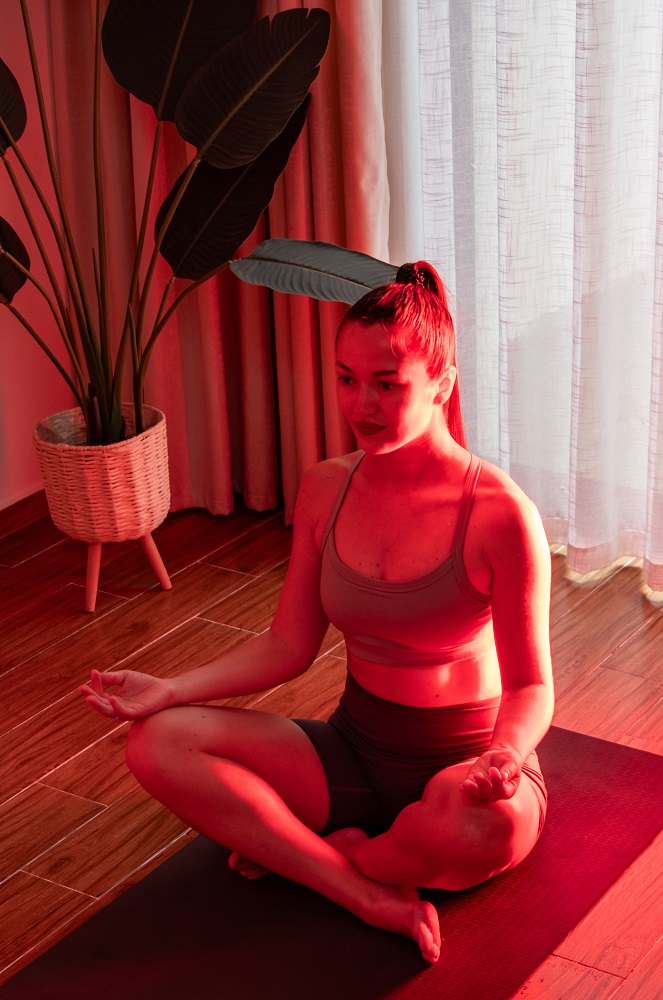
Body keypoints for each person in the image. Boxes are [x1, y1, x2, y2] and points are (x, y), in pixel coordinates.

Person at [79, 261, 553, 964]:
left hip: (469, 767)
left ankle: (320, 854)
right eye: (346, 379)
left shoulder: (500, 514)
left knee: (484, 830)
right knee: (156, 743)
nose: (362, 404)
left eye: (387, 384)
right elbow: (288, 645)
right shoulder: (326, 488)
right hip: (354, 754)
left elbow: (532, 685)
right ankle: (360, 887)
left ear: (442, 382)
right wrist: (170, 689)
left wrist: (505, 757)